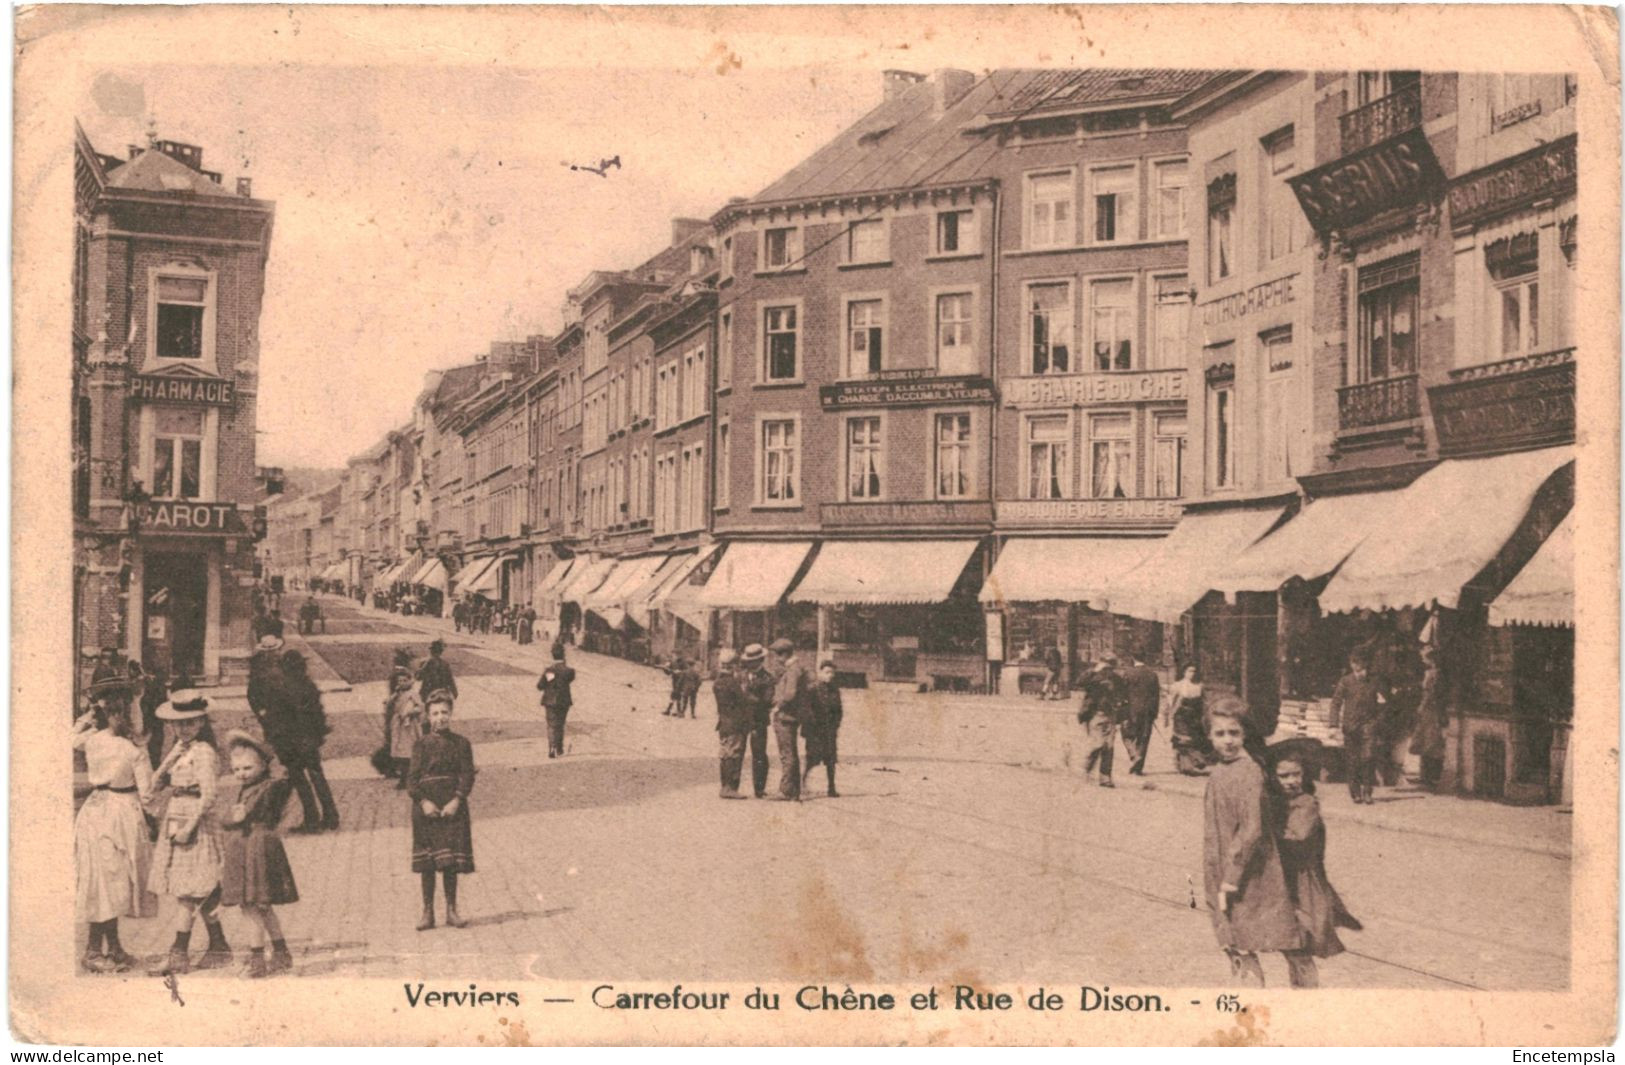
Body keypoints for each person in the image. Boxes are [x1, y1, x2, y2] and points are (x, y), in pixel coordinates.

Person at [1202, 697, 1310, 988]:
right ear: (1209, 735)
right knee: (1239, 945)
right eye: (1220, 733)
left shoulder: (1248, 771)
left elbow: (1251, 831)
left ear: (1244, 735)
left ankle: (1305, 1005)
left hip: (1249, 875)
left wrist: (1230, 879)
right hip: (1225, 870)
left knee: (1276, 942)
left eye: (1234, 733)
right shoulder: (1220, 772)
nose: (1227, 741)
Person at [146, 691, 232, 975]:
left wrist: (188, 827)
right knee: (198, 888)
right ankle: (220, 947)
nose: (183, 729)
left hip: (195, 823)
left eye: (190, 723)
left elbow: (209, 797)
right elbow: (154, 784)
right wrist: (172, 756)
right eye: (177, 724)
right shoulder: (184, 750)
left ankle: (178, 954)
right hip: (177, 816)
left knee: (190, 891)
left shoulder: (204, 753)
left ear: (202, 723)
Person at [73, 698, 155, 973]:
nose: (133, 718)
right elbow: (147, 793)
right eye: (129, 713)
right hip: (121, 814)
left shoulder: (93, 740)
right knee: (114, 882)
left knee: (101, 880)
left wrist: (87, 716)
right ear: (118, 714)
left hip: (94, 812)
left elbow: (73, 738)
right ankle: (94, 950)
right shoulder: (132, 749)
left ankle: (114, 948)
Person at [1272, 745, 1362, 985]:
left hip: (1303, 885)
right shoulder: (1277, 804)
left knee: (1300, 946)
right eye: (1284, 776)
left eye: (1296, 774)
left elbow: (1296, 837)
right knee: (1290, 948)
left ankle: (1307, 996)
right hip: (1283, 883)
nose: (1292, 781)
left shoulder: (1306, 804)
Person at [219, 731, 298, 978]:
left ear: (263, 765)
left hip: (254, 847)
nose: (241, 773)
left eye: (247, 768)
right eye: (237, 769)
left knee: (250, 906)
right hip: (255, 846)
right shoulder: (256, 787)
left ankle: (257, 959)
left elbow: (238, 816)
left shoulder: (263, 789)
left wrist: (230, 817)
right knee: (263, 907)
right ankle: (282, 952)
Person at [409, 690, 476, 930]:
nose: (440, 718)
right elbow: (411, 781)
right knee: (427, 862)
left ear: (451, 713)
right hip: (426, 809)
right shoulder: (420, 745)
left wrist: (456, 800)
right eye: (435, 713)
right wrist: (424, 802)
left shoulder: (461, 744)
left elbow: (467, 775)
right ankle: (427, 912)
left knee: (449, 862)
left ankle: (451, 910)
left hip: (452, 808)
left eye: (444, 712)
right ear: (428, 716)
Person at [280, 650, 339, 832]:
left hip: (293, 742)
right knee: (317, 776)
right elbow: (318, 715)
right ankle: (331, 816)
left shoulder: (284, 687)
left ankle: (311, 820)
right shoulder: (309, 685)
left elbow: (284, 719)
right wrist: (318, 735)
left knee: (300, 780)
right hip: (310, 740)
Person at [1329, 651, 1385, 804]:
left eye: (1363, 668)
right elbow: (1336, 703)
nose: (1361, 672)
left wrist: (1377, 721)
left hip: (1369, 725)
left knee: (1368, 757)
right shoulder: (1345, 681)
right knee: (1352, 760)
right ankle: (1355, 793)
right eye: (1357, 668)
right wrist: (1333, 725)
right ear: (1352, 666)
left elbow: (1383, 704)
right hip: (1351, 726)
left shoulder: (1374, 681)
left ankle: (1367, 792)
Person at [769, 638, 811, 801]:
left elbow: (790, 693)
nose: (775, 659)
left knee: (787, 754)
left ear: (784, 654)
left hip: (786, 716)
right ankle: (794, 790)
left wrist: (778, 706)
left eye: (776, 656)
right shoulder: (795, 668)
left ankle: (786, 790)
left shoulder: (793, 670)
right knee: (790, 752)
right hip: (791, 716)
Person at [1077, 656, 1125, 788]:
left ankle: (1105, 777)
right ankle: (1086, 768)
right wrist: (1094, 671)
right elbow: (1079, 682)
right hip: (1095, 715)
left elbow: (1123, 695)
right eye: (1106, 666)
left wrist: (1118, 702)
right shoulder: (1094, 677)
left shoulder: (1117, 679)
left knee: (1108, 747)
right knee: (1098, 744)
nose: (1109, 670)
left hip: (1111, 715)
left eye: (1111, 667)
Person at [713, 649, 751, 800]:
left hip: (724, 723)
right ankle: (730, 788)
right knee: (733, 755)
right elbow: (743, 702)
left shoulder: (718, 682)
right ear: (733, 665)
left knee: (725, 755)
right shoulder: (732, 683)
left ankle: (725, 786)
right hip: (735, 724)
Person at [802, 660, 844, 798]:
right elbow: (807, 710)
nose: (830, 675)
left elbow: (839, 710)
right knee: (812, 759)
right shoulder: (812, 688)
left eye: (832, 673)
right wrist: (813, 727)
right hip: (815, 731)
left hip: (829, 731)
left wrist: (836, 725)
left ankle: (831, 788)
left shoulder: (834, 690)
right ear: (820, 673)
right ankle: (802, 782)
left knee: (831, 760)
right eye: (827, 672)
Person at [739, 644, 776, 799]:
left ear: (760, 660)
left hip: (758, 721)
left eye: (752, 661)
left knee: (759, 755)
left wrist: (745, 695)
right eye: (747, 661)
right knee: (737, 753)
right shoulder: (741, 675)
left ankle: (759, 789)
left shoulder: (767, 678)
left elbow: (766, 701)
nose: (748, 664)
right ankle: (732, 786)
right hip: (741, 721)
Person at [1409, 648, 1447, 790]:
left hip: (1431, 711)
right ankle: (1426, 775)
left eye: (1424, 657)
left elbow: (1430, 693)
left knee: (1431, 742)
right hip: (1428, 711)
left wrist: (1421, 706)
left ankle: (1431, 776)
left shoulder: (1434, 674)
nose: (1422, 660)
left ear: (1431, 659)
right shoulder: (1431, 673)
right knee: (1426, 741)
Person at [1122, 652, 1162, 776]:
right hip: (1148, 710)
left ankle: (1134, 755)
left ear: (1133, 657)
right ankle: (1138, 768)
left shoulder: (1128, 673)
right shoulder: (1153, 674)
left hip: (1131, 710)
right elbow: (1156, 696)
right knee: (1144, 737)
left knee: (1126, 734)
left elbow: (1123, 693)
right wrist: (1154, 712)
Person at [1167, 666, 1211, 776]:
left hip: (1195, 716)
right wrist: (1168, 716)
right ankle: (1185, 764)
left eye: (1194, 671)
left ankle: (1194, 761)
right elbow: (1171, 701)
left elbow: (1205, 702)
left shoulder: (1200, 686)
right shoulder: (1178, 685)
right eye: (1190, 671)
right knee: (1183, 740)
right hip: (1181, 716)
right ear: (1184, 672)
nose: (1192, 673)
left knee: (1194, 739)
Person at [386, 668, 426, 786]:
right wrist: (394, 695)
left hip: (410, 727)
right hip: (399, 725)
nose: (402, 683)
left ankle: (407, 778)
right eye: (399, 681)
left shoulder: (413, 694)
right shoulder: (397, 694)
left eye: (404, 680)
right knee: (400, 751)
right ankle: (405, 777)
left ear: (409, 681)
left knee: (408, 751)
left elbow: (420, 707)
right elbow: (389, 705)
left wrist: (411, 712)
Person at [538, 644, 576, 759]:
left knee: (551, 725)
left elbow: (540, 686)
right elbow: (568, 679)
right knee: (560, 724)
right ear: (563, 655)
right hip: (564, 701)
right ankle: (559, 748)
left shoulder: (550, 671)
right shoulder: (569, 671)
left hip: (550, 702)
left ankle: (551, 748)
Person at [137, 661, 169, 768]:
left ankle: (153, 762)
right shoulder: (159, 686)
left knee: (152, 741)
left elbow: (144, 702)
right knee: (156, 741)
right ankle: (154, 763)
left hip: (151, 718)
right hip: (155, 719)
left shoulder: (153, 686)